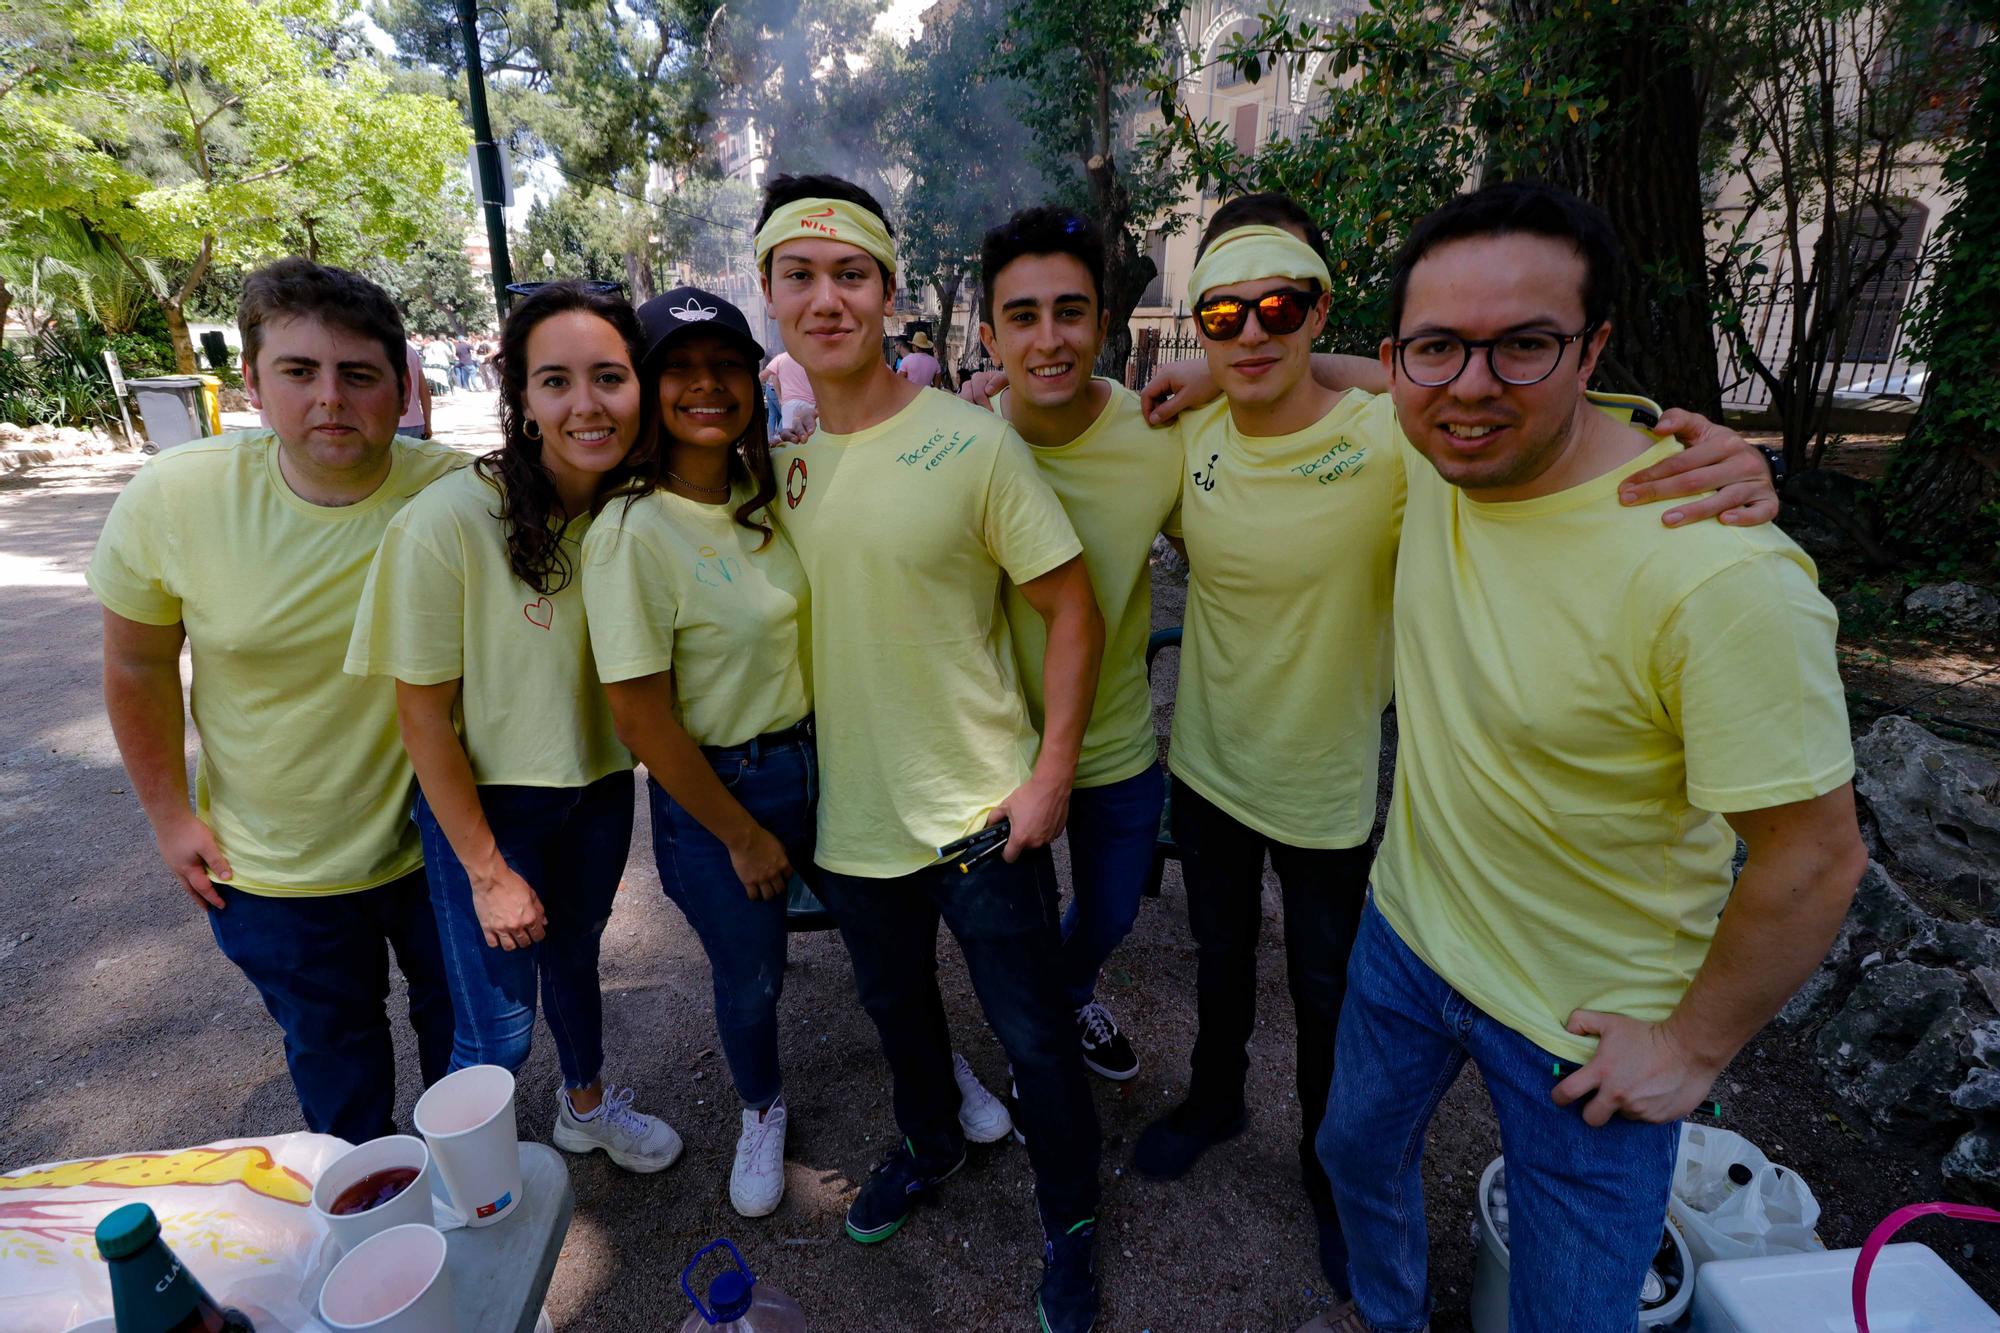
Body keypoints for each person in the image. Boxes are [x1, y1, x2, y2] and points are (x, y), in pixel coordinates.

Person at [1134, 193, 1785, 1307]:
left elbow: (1485, 400)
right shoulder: (1187, 433)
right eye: (1223, 314)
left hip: (1332, 785)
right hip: (1211, 765)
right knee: (1221, 952)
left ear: (1319, 310)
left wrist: (1706, 448)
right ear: (1197, 323)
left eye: (1277, 306)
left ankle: (1323, 1177)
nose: (1250, 330)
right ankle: (1215, 1097)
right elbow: (1078, 437)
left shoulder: (1398, 441)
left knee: (1325, 987)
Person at [1303, 182, 1866, 1333]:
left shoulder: (1715, 573)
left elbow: (1813, 856)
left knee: (1572, 1312)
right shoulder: (1436, 449)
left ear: (1589, 346)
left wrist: (1692, 1047)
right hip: (1407, 936)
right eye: (1436, 348)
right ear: (1396, 353)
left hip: (1588, 1023)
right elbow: (1320, 372)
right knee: (1350, 1155)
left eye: (1521, 345)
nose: (1468, 385)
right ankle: (1385, 1314)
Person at [755, 172, 1106, 1333]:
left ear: (887, 291)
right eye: (798, 275)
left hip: (979, 808)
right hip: (851, 818)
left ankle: (1071, 1222)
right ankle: (932, 1141)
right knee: (896, 1010)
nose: (825, 297)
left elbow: (1071, 607)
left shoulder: (970, 444)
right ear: (767, 295)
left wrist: (1050, 770)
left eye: (849, 273)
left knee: (1036, 1037)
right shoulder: (775, 466)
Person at [90, 258, 461, 1143]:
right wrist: (169, 815)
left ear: (400, 386)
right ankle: (367, 1232)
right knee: (338, 1068)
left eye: (358, 374)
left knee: (469, 1049)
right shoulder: (176, 498)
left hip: (439, 847)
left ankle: (471, 1207)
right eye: (299, 371)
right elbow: (137, 663)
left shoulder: (460, 494)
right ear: (252, 385)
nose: (329, 398)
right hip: (276, 868)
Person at [345, 282, 681, 1173]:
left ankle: (587, 1108)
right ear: (523, 400)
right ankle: (465, 1211)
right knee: (496, 1031)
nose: (586, 403)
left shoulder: (633, 509)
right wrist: (488, 874)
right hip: (491, 809)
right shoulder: (450, 520)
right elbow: (421, 718)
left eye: (609, 377)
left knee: (576, 961)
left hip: (600, 789)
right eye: (557, 380)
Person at [580, 286, 814, 1217]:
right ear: (646, 388)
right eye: (679, 369)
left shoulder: (773, 493)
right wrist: (742, 835)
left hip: (824, 758)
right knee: (752, 973)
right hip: (724, 790)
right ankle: (762, 1105)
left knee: (888, 929)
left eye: (725, 366)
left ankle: (927, 1057)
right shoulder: (630, 532)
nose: (706, 386)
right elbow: (641, 719)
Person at [760, 348, 816, 438]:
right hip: (802, 400)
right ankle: (778, 437)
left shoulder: (780, 359)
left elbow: (763, 376)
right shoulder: (806, 358)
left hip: (777, 395)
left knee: (774, 417)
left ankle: (773, 438)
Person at [398, 337, 433, 439]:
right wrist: (428, 423)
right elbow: (424, 392)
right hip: (416, 423)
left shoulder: (378, 349)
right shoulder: (411, 350)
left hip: (390, 424)